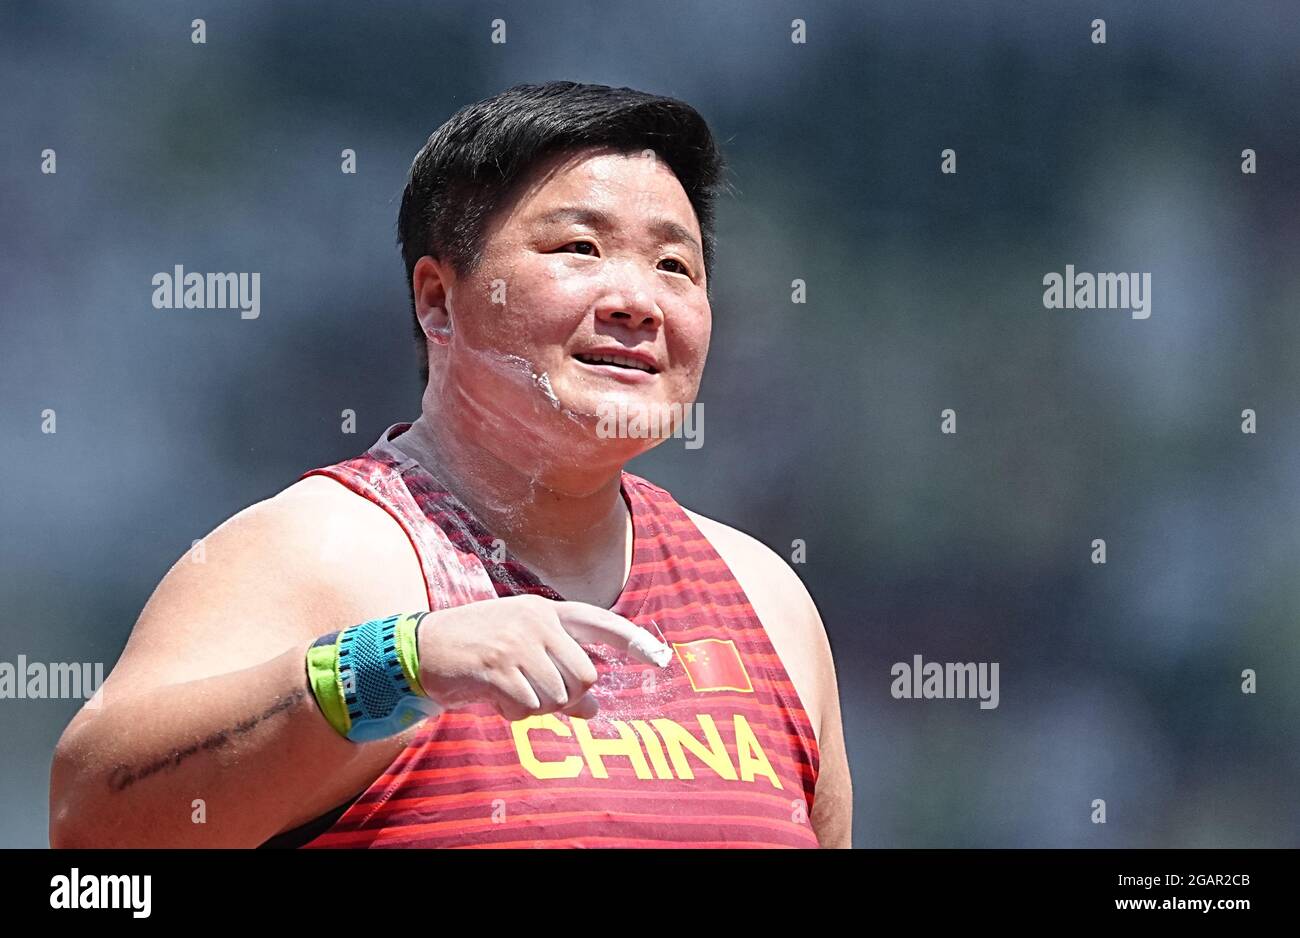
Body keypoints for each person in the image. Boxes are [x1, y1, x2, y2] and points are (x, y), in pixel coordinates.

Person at [49, 81, 852, 848]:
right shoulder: (317, 557)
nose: (637, 300)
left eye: (674, 266)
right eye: (581, 247)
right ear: (438, 299)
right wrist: (399, 664)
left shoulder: (763, 596)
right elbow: (91, 824)